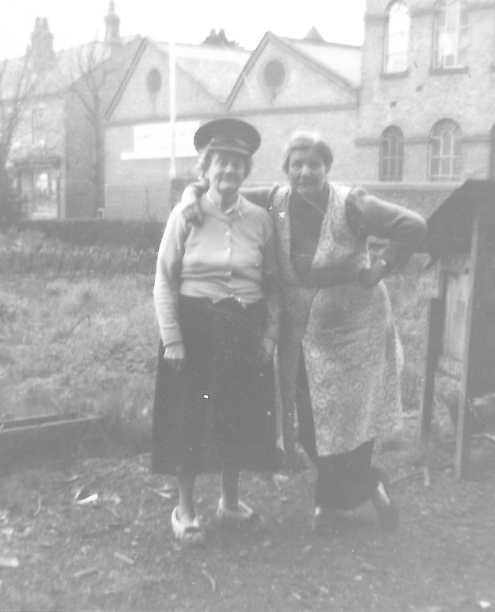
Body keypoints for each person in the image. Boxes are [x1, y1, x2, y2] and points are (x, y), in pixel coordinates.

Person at [181, 132, 426, 532]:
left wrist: (381, 267)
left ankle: (328, 506)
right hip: (302, 331)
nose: (305, 172)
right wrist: (191, 194)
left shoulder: (352, 203)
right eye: (297, 164)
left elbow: (411, 224)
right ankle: (372, 487)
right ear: (286, 170)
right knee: (310, 422)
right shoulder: (274, 200)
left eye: (314, 164)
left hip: (356, 330)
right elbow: (220, 187)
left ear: (327, 167)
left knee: (351, 420)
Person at [151, 118, 282, 547]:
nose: (228, 170)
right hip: (195, 330)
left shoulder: (260, 220)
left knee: (236, 418)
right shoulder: (185, 214)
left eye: (237, 163)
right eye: (220, 162)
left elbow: (273, 285)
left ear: (246, 170)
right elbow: (164, 279)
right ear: (205, 168)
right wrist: (172, 339)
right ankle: (185, 509)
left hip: (243, 327)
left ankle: (230, 502)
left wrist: (269, 337)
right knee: (189, 419)